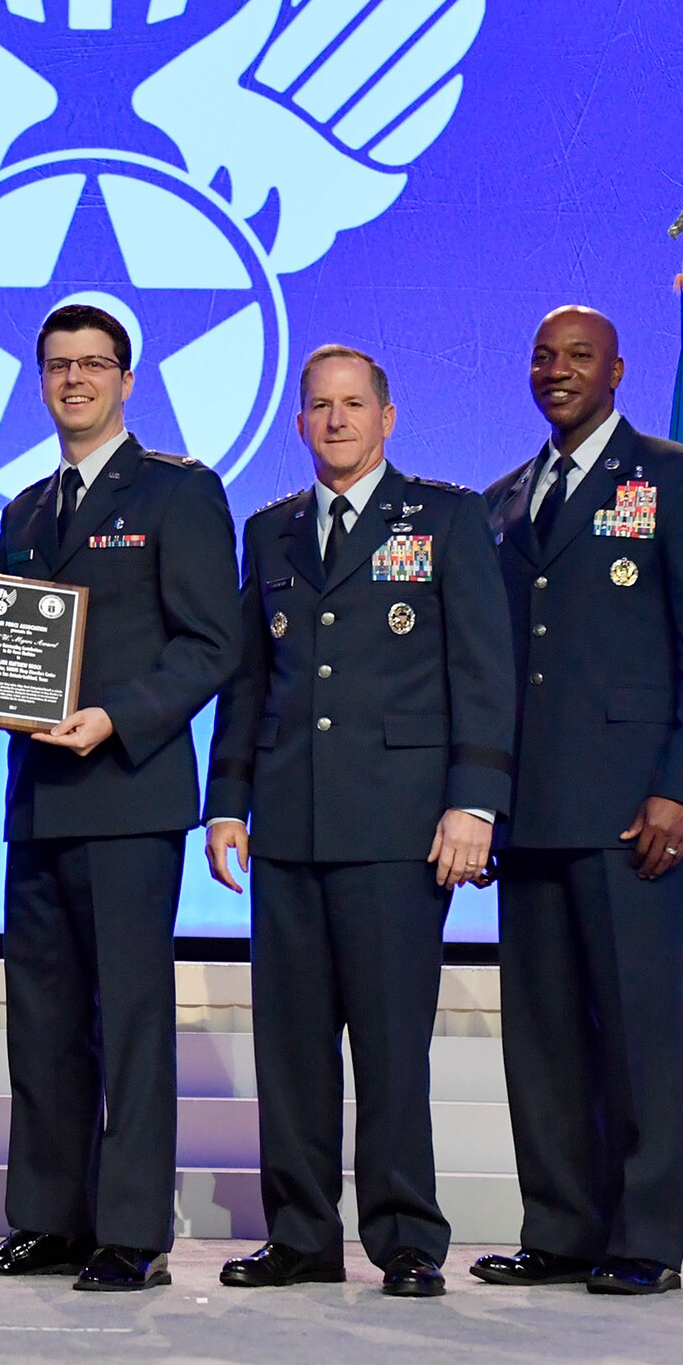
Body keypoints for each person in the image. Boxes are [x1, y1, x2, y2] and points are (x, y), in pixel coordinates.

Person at [202, 345, 516, 1297]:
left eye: (353, 404)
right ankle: (300, 1235)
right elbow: (249, 682)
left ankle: (407, 1236)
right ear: (298, 423)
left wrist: (474, 801)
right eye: (318, 407)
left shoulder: (448, 518)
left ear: (388, 416)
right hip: (290, 830)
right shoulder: (272, 531)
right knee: (290, 1050)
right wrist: (226, 802)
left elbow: (484, 671)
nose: (335, 421)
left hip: (399, 828)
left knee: (388, 1046)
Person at [0, 303, 241, 1293]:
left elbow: (211, 642)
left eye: (92, 364)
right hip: (36, 798)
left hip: (127, 791)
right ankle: (46, 1218)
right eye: (56, 365)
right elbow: (17, 654)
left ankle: (129, 1232)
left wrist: (119, 713)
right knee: (39, 1015)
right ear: (39, 381)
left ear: (126, 379)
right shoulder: (26, 508)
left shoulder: (178, 492)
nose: (73, 379)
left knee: (128, 1019)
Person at [475, 305, 683, 1297]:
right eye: (541, 356)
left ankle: (640, 1237)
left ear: (617, 370)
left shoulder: (678, 478)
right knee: (540, 1035)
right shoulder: (502, 499)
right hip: (530, 808)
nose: (556, 370)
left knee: (636, 1033)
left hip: (637, 811)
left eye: (576, 356)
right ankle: (557, 1226)